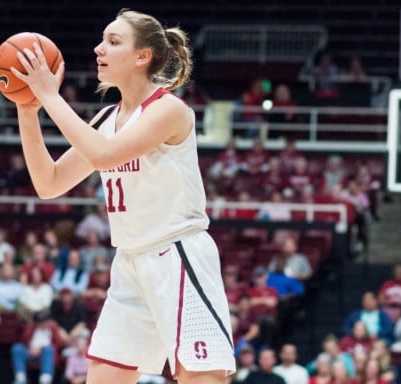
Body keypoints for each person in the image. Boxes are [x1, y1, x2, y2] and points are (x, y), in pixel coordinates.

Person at [12, 8, 235, 383]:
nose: (99, 49)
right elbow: (48, 184)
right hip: (130, 261)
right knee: (103, 376)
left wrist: (50, 96)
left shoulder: (168, 110)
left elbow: (103, 155)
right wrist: (28, 109)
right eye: (102, 40)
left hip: (176, 253)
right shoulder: (106, 119)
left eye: (113, 42)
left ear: (141, 56)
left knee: (201, 376)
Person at [11, 311, 67, 384]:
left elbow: (58, 344)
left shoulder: (53, 327)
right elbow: (23, 342)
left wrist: (41, 349)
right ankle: (21, 379)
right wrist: (30, 349)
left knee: (48, 350)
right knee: (16, 348)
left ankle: (45, 380)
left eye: (44, 321)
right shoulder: (30, 328)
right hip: (30, 353)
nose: (43, 324)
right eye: (40, 322)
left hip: (45, 355)